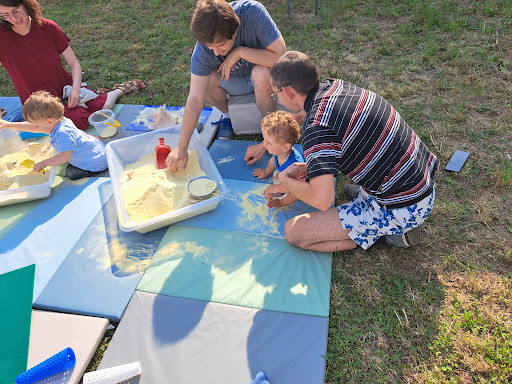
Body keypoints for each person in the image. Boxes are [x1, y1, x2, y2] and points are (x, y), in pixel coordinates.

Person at [265, 51, 439, 252]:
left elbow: (322, 200)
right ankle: (368, 203)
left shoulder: (317, 129)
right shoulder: (336, 87)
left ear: (287, 92)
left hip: (404, 206)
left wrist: (285, 180)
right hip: (421, 181)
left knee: (294, 232)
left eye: (274, 93)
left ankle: (394, 234)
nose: (276, 98)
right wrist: (309, 166)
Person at [166, 0, 287, 172]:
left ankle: (269, 129)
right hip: (232, 81)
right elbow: (195, 98)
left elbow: (282, 57)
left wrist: (240, 52)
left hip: (264, 75)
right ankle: (229, 117)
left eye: (221, 45)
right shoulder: (202, 51)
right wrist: (181, 146)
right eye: (210, 46)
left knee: (261, 74)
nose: (216, 52)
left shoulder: (252, 12)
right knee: (205, 80)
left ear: (236, 30)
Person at [0, 0, 146, 130]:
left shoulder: (48, 27)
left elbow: (74, 64)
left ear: (25, 5)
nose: (13, 18)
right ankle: (93, 95)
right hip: (38, 101)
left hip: (64, 88)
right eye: (5, 15)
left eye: (15, 11)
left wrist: (75, 90)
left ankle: (119, 90)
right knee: (69, 123)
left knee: (104, 108)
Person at [0, 91, 108, 180]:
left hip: (96, 163)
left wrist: (44, 163)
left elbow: (65, 157)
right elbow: (32, 127)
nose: (34, 128)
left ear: (49, 121)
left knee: (70, 173)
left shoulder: (62, 134)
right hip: (96, 148)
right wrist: (8, 124)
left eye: (37, 126)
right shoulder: (60, 120)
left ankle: (92, 170)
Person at [252, 111, 303, 208]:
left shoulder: (294, 165)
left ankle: (281, 202)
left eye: (269, 143)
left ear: (285, 147)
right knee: (277, 175)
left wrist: (276, 188)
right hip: (286, 177)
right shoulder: (278, 151)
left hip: (296, 184)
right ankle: (279, 191)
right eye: (264, 140)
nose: (264, 144)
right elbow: (272, 161)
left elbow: (295, 186)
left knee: (295, 194)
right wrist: (266, 172)